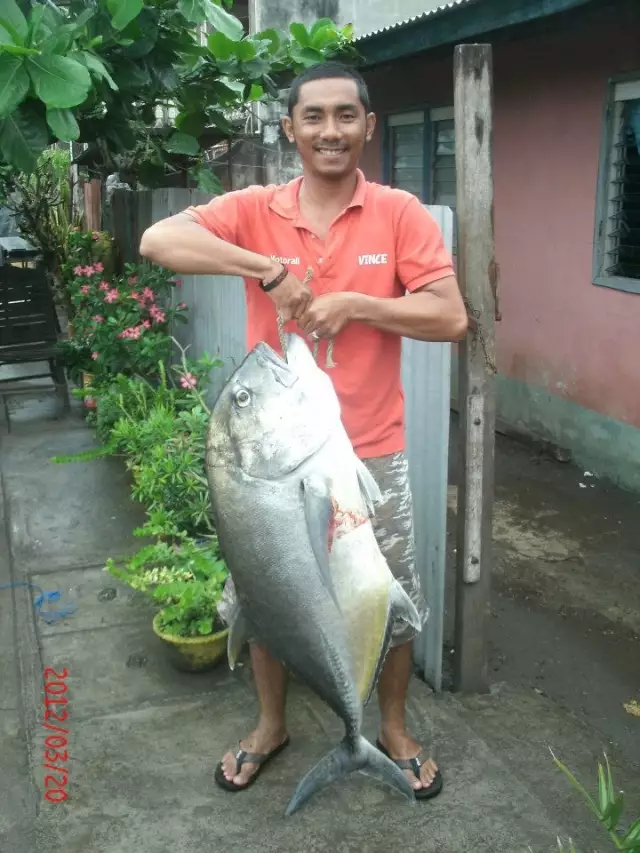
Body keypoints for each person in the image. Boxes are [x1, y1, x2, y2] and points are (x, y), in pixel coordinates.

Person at [140, 60, 468, 800]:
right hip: (270, 461)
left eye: (345, 116)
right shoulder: (257, 208)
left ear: (368, 127)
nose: (330, 131)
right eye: (312, 117)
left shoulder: (399, 213)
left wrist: (359, 303)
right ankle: (270, 723)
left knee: (389, 592)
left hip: (369, 449)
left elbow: (450, 316)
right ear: (290, 129)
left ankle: (389, 724)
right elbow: (159, 241)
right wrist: (269, 270)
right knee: (268, 591)